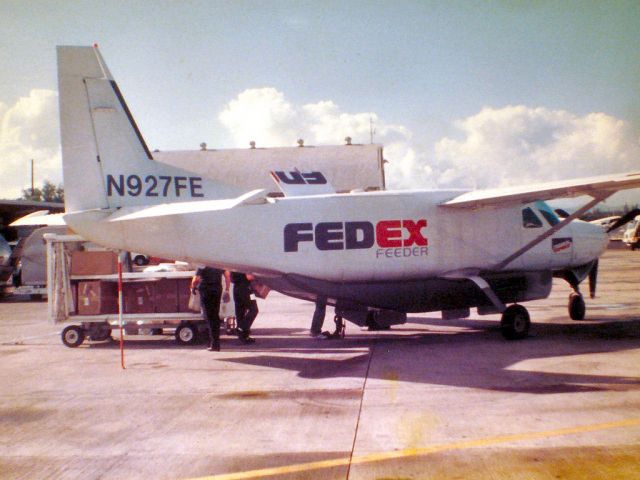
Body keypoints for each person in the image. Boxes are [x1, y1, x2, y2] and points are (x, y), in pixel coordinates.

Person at [192, 266, 229, 351]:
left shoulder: (202, 264)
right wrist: (227, 289)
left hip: (206, 290)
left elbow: (196, 279)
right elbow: (227, 275)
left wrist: (193, 287)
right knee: (215, 316)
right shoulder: (217, 263)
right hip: (217, 290)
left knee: (209, 317)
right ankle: (216, 343)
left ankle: (214, 344)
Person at [229, 271, 258, 344]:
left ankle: (244, 337)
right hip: (246, 289)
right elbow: (249, 277)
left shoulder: (234, 265)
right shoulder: (245, 265)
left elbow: (231, 278)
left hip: (236, 288)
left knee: (240, 312)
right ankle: (241, 328)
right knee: (254, 309)